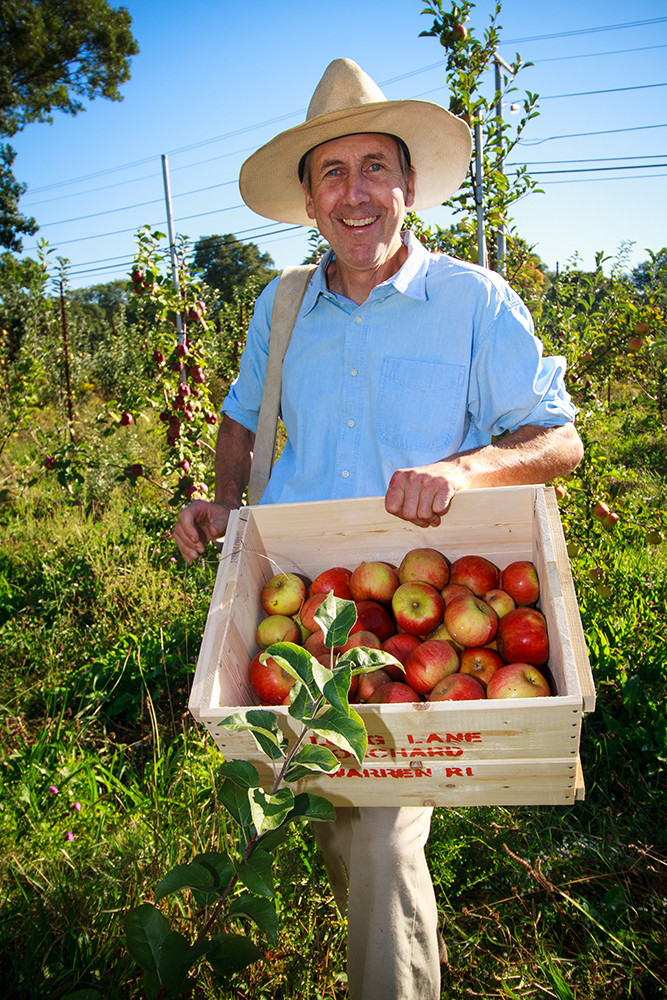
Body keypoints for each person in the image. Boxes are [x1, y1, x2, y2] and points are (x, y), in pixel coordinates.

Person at [174, 58, 583, 1000]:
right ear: (310, 198)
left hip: (431, 604)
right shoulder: (281, 307)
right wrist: (224, 499)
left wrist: (458, 470)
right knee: (333, 816)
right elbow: (241, 413)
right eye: (331, 172)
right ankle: (409, 955)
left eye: (373, 168)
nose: (353, 192)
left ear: (407, 186)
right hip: (307, 610)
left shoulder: (475, 301)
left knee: (384, 827)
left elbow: (556, 442)